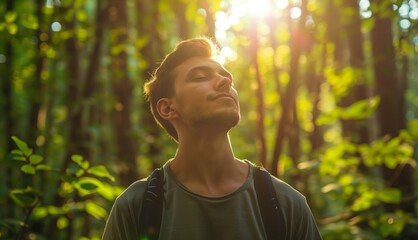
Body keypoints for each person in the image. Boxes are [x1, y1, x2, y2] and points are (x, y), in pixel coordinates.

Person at [102, 37, 322, 240]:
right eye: (200, 77)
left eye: (226, 77)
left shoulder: (285, 203)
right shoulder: (136, 207)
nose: (225, 82)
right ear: (168, 108)